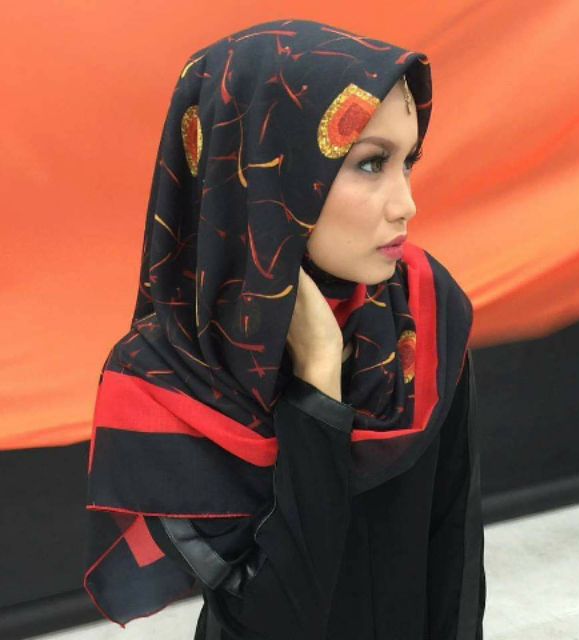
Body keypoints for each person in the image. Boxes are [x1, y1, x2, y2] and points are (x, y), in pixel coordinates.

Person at [84, 18, 486, 640]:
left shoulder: (422, 309)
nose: (406, 203)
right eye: (371, 163)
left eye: (408, 162)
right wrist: (318, 379)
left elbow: (454, 553)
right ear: (265, 170)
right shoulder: (172, 376)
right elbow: (272, 622)